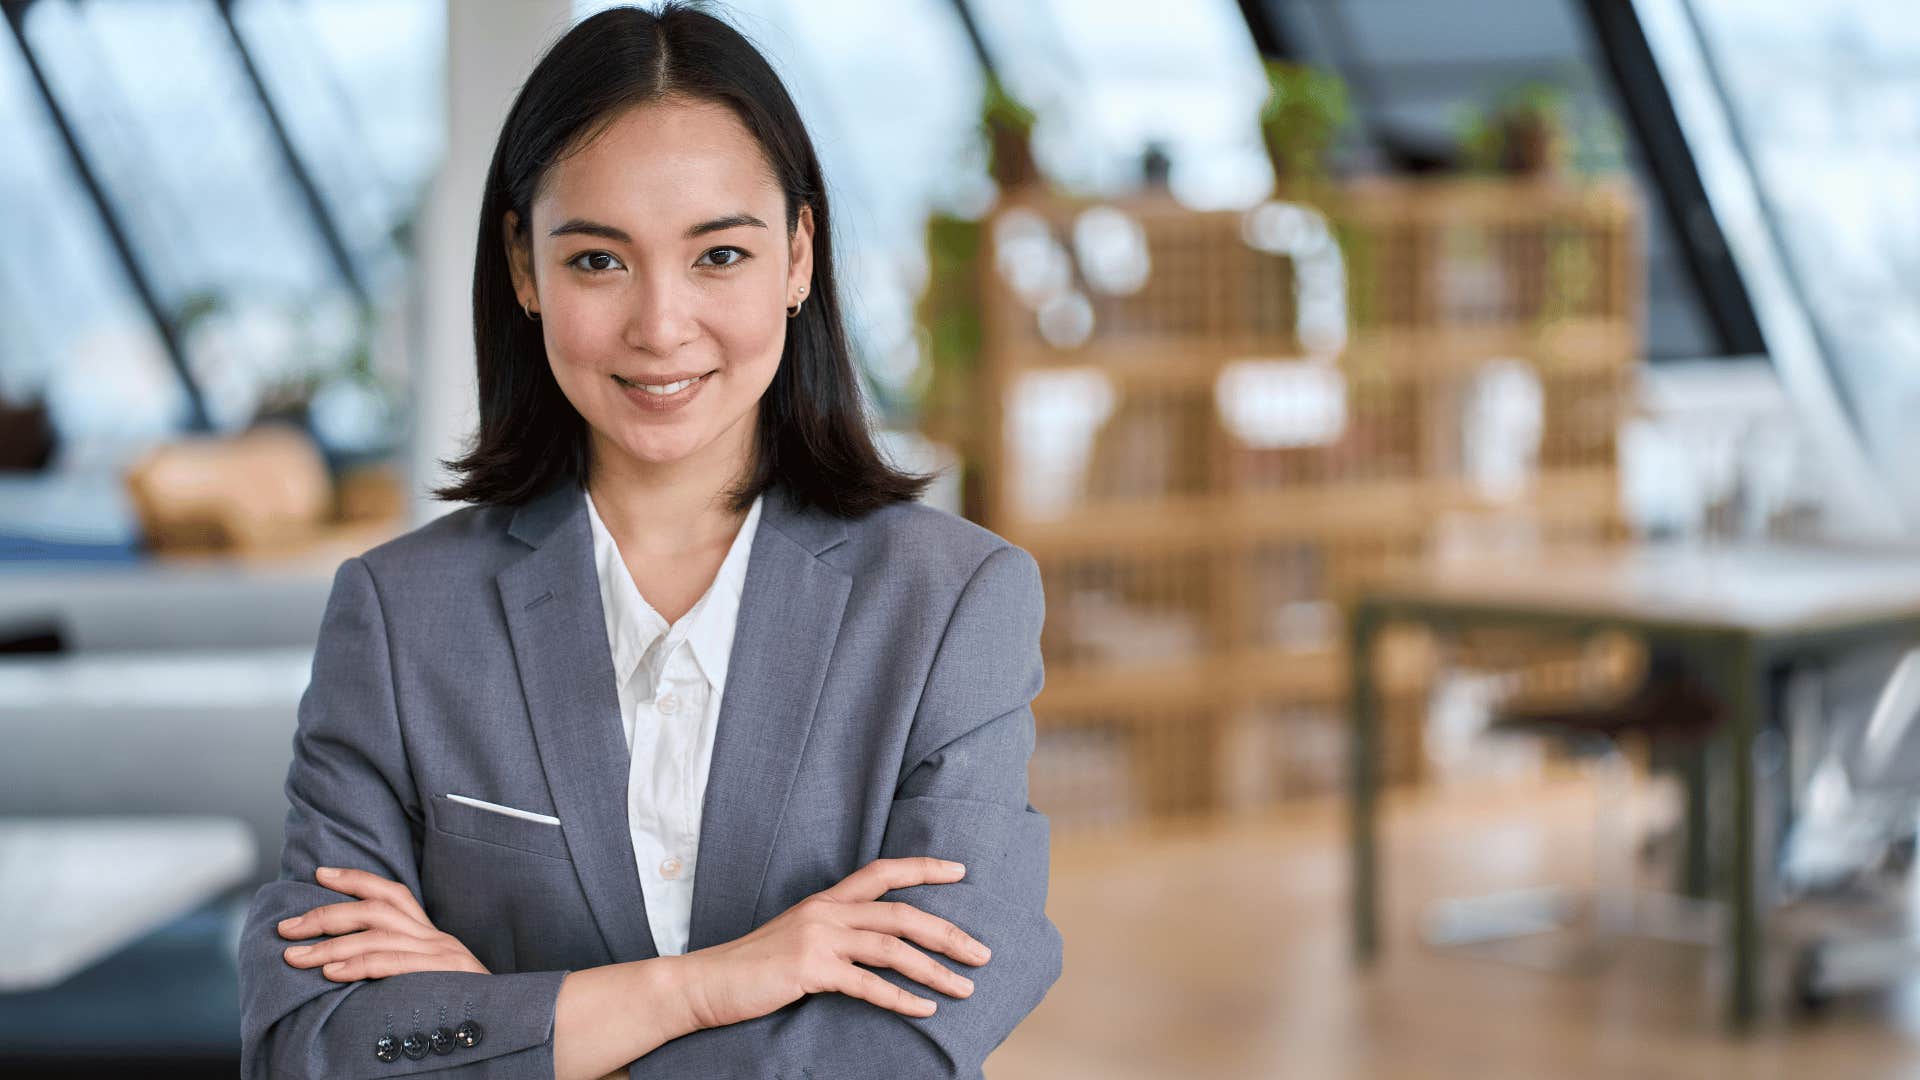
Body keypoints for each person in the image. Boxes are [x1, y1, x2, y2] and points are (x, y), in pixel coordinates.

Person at [235, 4, 1062, 1077]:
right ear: (523, 269)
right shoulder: (400, 617)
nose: (662, 325)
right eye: (597, 262)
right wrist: (702, 986)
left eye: (719, 253)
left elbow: (910, 1037)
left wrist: (511, 1024)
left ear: (799, 257)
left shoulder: (952, 606)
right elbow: (312, 1044)